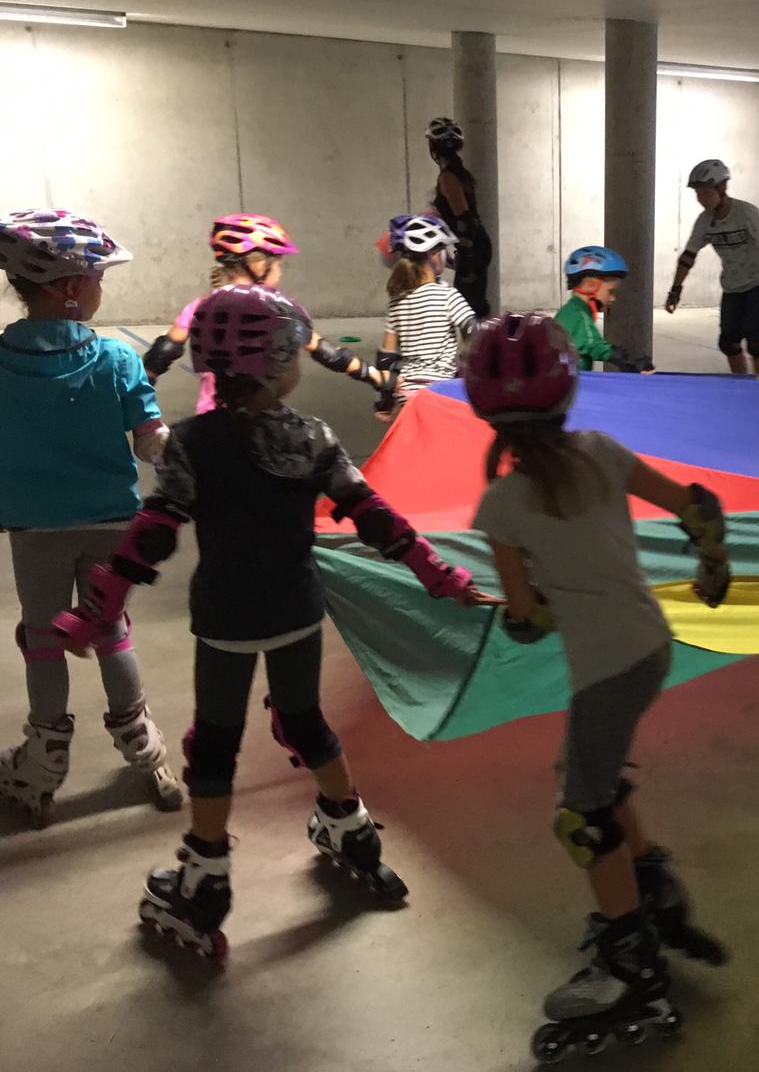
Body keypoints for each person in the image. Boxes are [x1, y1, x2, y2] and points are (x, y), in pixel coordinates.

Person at [52, 284, 488, 961]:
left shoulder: (191, 443)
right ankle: (353, 833)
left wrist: (97, 610)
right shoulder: (312, 437)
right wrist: (439, 575)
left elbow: (153, 534)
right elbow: (376, 517)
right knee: (306, 721)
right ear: (278, 359)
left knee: (215, 743)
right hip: (296, 611)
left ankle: (205, 879)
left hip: (226, 618)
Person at [464, 312, 730, 1060]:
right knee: (592, 774)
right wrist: (713, 566)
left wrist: (530, 607)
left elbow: (527, 618)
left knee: (581, 815)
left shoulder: (501, 506)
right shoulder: (605, 453)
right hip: (650, 646)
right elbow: (698, 509)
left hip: (607, 667)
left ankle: (629, 962)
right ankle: (651, 890)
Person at [0, 210, 182, 825]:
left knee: (42, 639)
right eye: (99, 277)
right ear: (73, 288)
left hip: (33, 529)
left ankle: (43, 759)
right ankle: (143, 747)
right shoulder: (117, 360)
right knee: (111, 630)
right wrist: (185, 451)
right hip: (111, 524)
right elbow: (150, 443)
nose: (102, 287)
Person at [143, 214, 388, 413]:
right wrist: (377, 377)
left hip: (210, 420)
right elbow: (326, 353)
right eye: (278, 263)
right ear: (258, 265)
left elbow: (162, 354)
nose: (280, 270)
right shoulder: (279, 307)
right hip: (260, 419)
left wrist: (140, 403)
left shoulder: (201, 305)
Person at [663, 159, 759, 375]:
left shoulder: (746, 214)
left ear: (722, 188)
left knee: (755, 341)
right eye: (697, 193)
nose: (701, 198)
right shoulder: (705, 221)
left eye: (705, 192)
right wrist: (675, 290)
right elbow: (688, 256)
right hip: (733, 284)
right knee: (728, 343)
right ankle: (740, 384)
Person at [378, 214, 478, 417]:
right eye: (443, 250)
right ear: (434, 255)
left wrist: (385, 402)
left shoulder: (396, 301)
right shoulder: (448, 296)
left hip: (405, 393)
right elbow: (475, 334)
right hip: (441, 391)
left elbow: (385, 358)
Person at [426, 117, 494, 317]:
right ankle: (482, 336)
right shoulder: (458, 173)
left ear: (433, 147)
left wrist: (467, 255)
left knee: (467, 307)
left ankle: (483, 337)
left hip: (473, 246)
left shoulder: (448, 177)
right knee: (472, 304)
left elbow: (465, 221)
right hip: (474, 245)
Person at [553, 246, 653, 373]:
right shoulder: (578, 315)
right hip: (570, 383)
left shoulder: (573, 310)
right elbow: (593, 344)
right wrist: (627, 361)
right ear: (590, 286)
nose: (613, 298)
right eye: (610, 291)